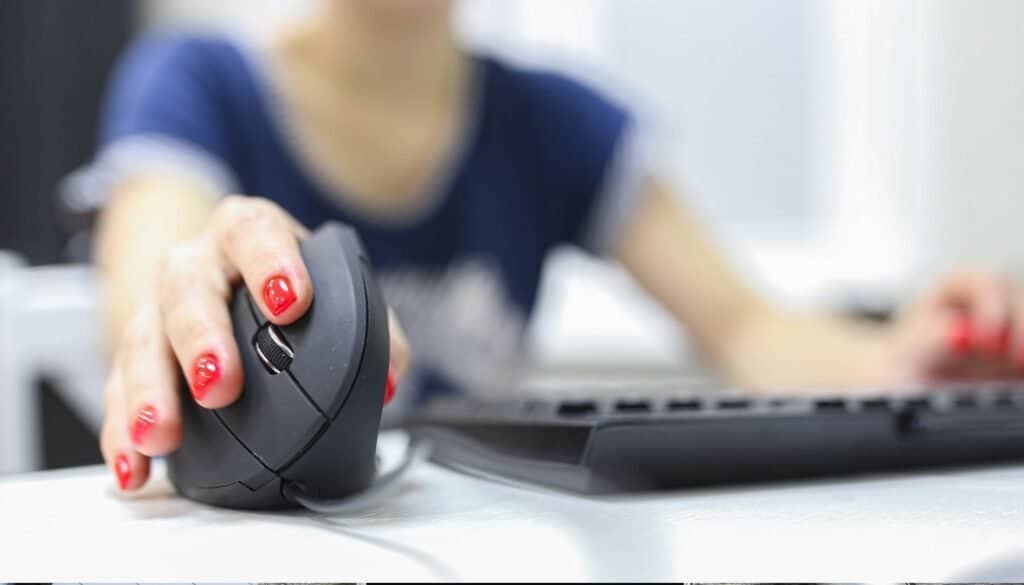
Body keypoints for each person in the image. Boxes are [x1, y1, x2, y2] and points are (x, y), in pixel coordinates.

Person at [88, 0, 1024, 492]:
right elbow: (146, 285)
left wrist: (904, 356)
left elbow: (747, 326)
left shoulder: (558, 122)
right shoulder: (197, 81)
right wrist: (185, 299)